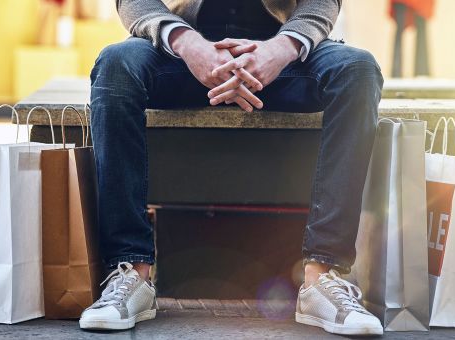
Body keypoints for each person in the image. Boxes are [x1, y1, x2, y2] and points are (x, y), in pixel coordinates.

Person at [79, 0, 384, 336]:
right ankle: (132, 273)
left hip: (284, 53)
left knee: (358, 69)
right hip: (178, 55)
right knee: (116, 63)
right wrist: (186, 41)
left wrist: (282, 48)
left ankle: (322, 277)